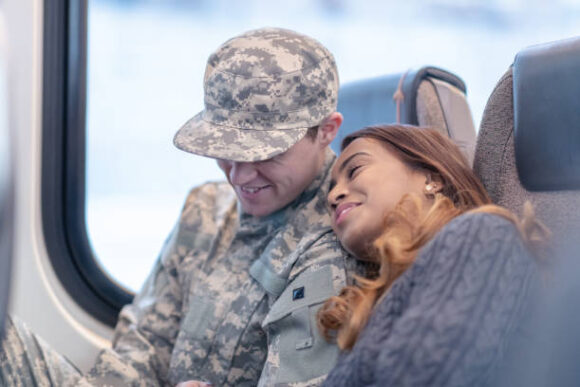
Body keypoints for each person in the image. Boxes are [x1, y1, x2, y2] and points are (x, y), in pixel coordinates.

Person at [0, 27, 362, 386]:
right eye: (225, 150)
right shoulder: (205, 208)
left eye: (265, 153)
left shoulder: (339, 239)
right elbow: (144, 345)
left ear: (327, 130)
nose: (238, 175)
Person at [317, 124, 548, 386]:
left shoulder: (482, 235)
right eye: (331, 189)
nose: (334, 196)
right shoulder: (375, 303)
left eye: (355, 170)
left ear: (431, 178)